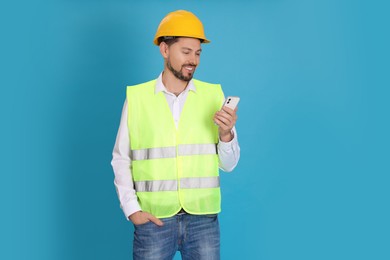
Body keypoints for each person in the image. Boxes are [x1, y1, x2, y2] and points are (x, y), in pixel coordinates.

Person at [111, 10, 240, 260]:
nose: (194, 60)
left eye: (198, 52)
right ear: (164, 50)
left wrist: (226, 135)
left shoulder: (214, 96)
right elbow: (121, 158)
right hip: (154, 221)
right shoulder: (137, 99)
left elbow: (229, 164)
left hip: (203, 221)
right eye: (186, 51)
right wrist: (131, 210)